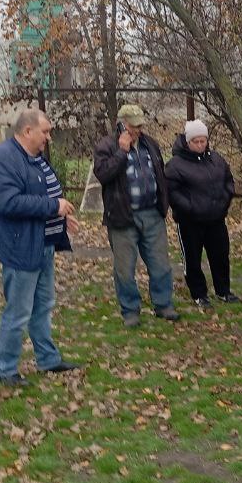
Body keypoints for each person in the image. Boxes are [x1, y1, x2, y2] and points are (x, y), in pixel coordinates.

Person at [0, 108, 82, 386]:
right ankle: (4, 369)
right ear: (27, 131)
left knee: (43, 305)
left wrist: (60, 217)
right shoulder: (4, 158)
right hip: (20, 246)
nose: (48, 137)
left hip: (43, 244)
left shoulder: (34, 158)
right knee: (19, 310)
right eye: (45, 132)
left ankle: (48, 359)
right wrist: (53, 206)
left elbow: (41, 194)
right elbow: (8, 202)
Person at [92, 103, 179, 327]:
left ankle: (163, 304)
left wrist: (164, 203)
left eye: (140, 125)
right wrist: (122, 152)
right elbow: (103, 174)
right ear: (122, 125)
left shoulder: (151, 144)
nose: (138, 130)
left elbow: (160, 174)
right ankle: (130, 310)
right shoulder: (107, 146)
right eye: (133, 126)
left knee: (160, 263)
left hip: (152, 214)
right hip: (122, 216)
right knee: (124, 268)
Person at [166, 119, 242, 307]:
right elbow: (172, 192)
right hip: (190, 221)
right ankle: (199, 294)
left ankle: (223, 291)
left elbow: (228, 181)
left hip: (216, 219)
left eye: (203, 141)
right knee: (192, 259)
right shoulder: (175, 165)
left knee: (220, 256)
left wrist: (224, 202)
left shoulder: (216, 159)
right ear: (188, 142)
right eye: (196, 141)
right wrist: (190, 208)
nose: (200, 145)